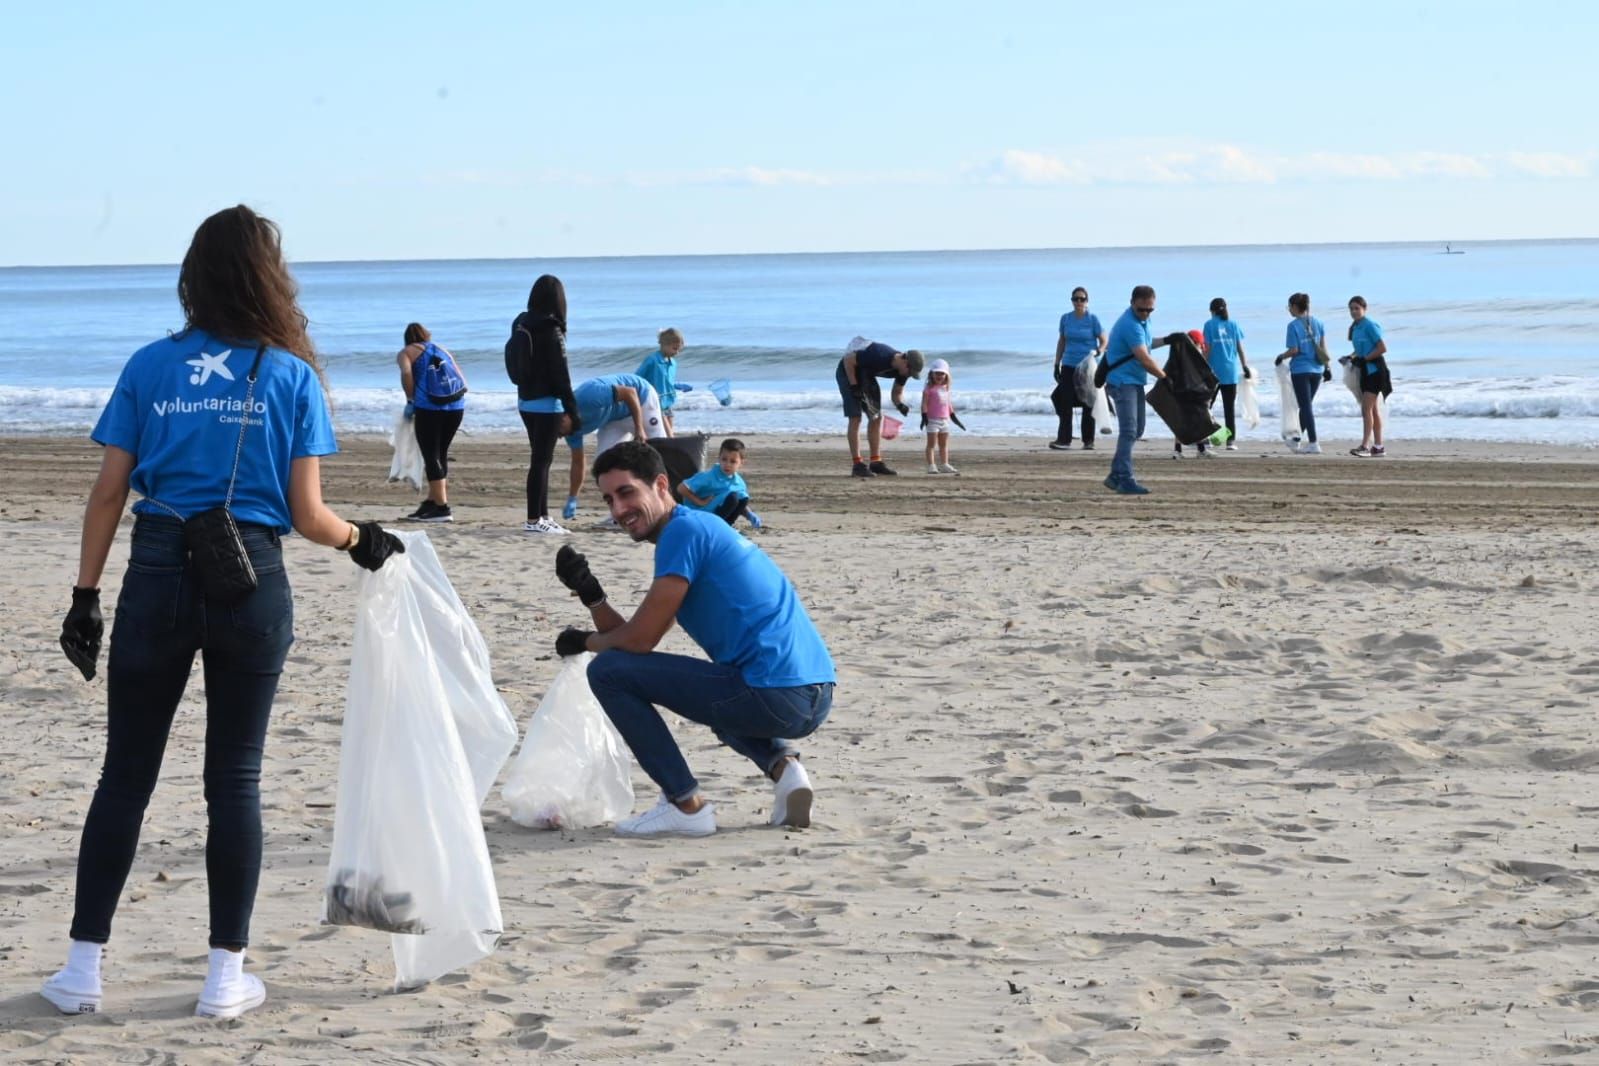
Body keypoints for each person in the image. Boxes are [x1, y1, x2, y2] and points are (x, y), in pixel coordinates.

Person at [44, 205, 405, 1021]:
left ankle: (81, 971)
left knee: (124, 776)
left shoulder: (149, 365)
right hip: (253, 575)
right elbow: (311, 519)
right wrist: (363, 539)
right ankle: (222, 979)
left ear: (192, 277)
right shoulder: (289, 376)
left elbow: (108, 494)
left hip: (157, 570)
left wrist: (84, 596)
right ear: (270, 279)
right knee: (233, 780)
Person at [552, 441, 836, 836]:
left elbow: (637, 644)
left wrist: (584, 641)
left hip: (775, 697)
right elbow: (638, 635)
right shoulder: (700, 526)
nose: (617, 510)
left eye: (627, 492)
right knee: (716, 689)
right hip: (815, 693)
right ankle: (785, 769)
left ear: (662, 485)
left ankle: (685, 805)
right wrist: (591, 594)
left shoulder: (681, 533)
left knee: (607, 672)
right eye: (608, 500)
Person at [506, 274, 580, 534]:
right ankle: (535, 520)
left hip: (525, 401)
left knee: (540, 461)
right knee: (541, 462)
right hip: (548, 405)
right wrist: (573, 411)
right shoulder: (552, 329)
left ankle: (542, 517)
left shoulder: (520, 322)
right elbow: (561, 374)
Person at [559, 373, 668, 522]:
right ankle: (619, 513)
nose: (561, 434)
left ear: (565, 414)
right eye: (557, 434)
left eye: (559, 428)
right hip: (613, 419)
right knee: (605, 465)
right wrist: (572, 497)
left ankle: (667, 507)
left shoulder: (587, 396)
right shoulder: (569, 430)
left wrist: (639, 428)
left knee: (660, 453)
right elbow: (578, 462)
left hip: (641, 400)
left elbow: (630, 392)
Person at [1103, 286, 1177, 495]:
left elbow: (1146, 344)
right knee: (1128, 430)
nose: (1145, 313)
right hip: (1121, 381)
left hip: (1134, 381)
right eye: (1141, 309)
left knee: (1138, 429)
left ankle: (1115, 474)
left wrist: (1167, 340)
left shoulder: (1143, 322)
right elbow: (1144, 358)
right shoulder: (1130, 324)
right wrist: (1164, 377)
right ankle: (1125, 479)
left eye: (1150, 310)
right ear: (1132, 303)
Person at [396, 322, 467, 522]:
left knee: (430, 454)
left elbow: (406, 373)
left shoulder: (406, 352)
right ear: (426, 335)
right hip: (456, 407)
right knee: (440, 452)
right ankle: (431, 502)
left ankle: (442, 508)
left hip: (429, 408)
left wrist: (410, 399)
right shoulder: (442, 349)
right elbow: (461, 378)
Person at [836, 337, 925, 477]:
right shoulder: (879, 354)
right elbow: (848, 360)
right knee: (855, 417)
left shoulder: (903, 372)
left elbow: (896, 393)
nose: (909, 375)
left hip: (866, 375)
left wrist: (900, 405)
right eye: (910, 371)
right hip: (847, 371)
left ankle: (875, 462)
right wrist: (853, 386)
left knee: (876, 417)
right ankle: (857, 464)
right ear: (905, 361)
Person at [1274, 292, 1333, 454]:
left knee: (1305, 406)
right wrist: (1328, 368)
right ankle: (1296, 439)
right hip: (1317, 370)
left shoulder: (1293, 326)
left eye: (1289, 307)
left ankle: (1313, 442)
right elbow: (1323, 347)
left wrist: (1281, 357)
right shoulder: (1319, 323)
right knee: (1306, 406)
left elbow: (1294, 350)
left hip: (1300, 370)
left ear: (1295, 307)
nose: (1289, 310)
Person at [1049, 286, 1106, 449]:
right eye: (1076, 299)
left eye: (1082, 299)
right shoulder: (1066, 319)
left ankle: (1088, 441)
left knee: (1088, 402)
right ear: (1072, 301)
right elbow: (1062, 341)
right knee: (1061, 399)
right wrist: (1056, 364)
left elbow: (1104, 339)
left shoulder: (1092, 319)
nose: (1079, 302)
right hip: (1068, 364)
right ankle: (1064, 439)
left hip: (1087, 365)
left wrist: (1099, 350)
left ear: (1087, 301)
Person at [677, 437, 761, 528]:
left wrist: (749, 515)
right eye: (724, 459)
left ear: (741, 463)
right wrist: (700, 502)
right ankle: (716, 527)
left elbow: (739, 504)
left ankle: (726, 527)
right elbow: (681, 488)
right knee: (733, 497)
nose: (727, 464)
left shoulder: (739, 483)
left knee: (743, 498)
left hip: (717, 514)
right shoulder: (709, 476)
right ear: (719, 458)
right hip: (699, 514)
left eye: (733, 461)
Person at [1202, 297, 1251, 452]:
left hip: (1213, 373)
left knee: (1206, 407)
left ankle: (1208, 439)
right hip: (1231, 372)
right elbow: (1240, 348)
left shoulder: (1209, 325)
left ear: (1212, 311)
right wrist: (1245, 366)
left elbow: (1207, 350)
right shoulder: (1233, 324)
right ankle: (1230, 442)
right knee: (1229, 409)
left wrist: (1200, 366)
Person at [1345, 296, 1391, 457]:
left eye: (1356, 308)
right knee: (1373, 410)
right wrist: (1351, 357)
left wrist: (1364, 359)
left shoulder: (1370, 325)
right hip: (1365, 371)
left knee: (1366, 409)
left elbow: (1382, 348)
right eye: (1351, 308)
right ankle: (1378, 447)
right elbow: (1361, 350)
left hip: (1376, 371)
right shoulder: (1355, 328)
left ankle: (1365, 446)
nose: (1353, 311)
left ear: (1364, 308)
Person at [635, 327, 692, 435]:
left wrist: (677, 385)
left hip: (668, 402)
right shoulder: (652, 360)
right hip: (654, 403)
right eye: (675, 349)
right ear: (664, 344)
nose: (677, 352)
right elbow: (637, 378)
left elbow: (666, 381)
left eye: (679, 349)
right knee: (668, 434)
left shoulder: (673, 363)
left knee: (669, 432)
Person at [1172, 328, 1215, 459]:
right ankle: (1185, 450)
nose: (1202, 348)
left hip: (1183, 392)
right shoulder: (1192, 356)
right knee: (1194, 421)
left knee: (1190, 422)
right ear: (1196, 343)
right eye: (1200, 345)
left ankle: (1182, 450)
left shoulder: (1182, 354)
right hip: (1190, 393)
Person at [920, 358, 965, 474]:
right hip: (932, 420)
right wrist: (924, 416)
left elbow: (948, 404)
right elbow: (924, 403)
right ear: (932, 374)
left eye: (942, 373)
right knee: (931, 444)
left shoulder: (946, 388)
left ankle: (945, 464)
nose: (939, 376)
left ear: (946, 375)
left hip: (945, 420)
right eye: (937, 373)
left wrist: (954, 417)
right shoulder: (928, 389)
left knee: (943, 444)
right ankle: (931, 466)